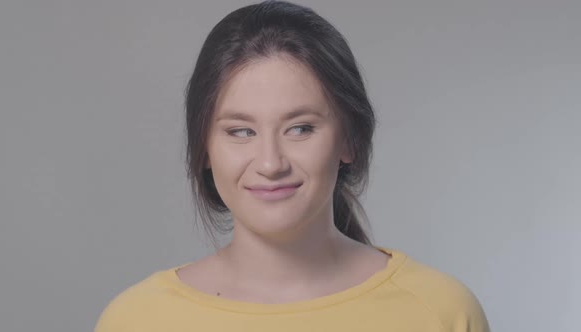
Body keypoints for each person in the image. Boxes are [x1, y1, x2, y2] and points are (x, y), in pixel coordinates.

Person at [94, 1, 490, 331]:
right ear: (204, 148)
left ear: (348, 139)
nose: (270, 163)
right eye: (240, 131)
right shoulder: (137, 319)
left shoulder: (441, 312)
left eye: (300, 128)